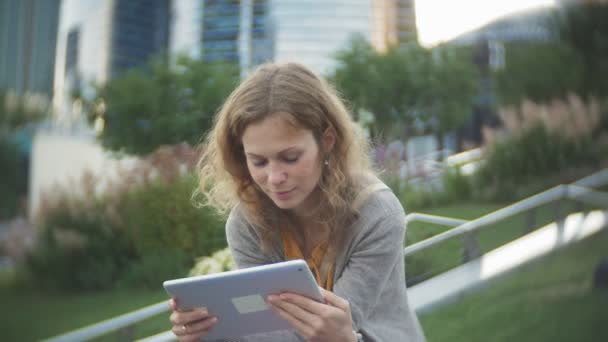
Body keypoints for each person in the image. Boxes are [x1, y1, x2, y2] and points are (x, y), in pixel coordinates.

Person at [169, 62, 426, 342]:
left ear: (327, 140)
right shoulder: (247, 223)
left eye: (290, 158)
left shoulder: (377, 214)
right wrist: (212, 331)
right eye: (258, 161)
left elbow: (331, 331)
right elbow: (267, 327)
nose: (274, 177)